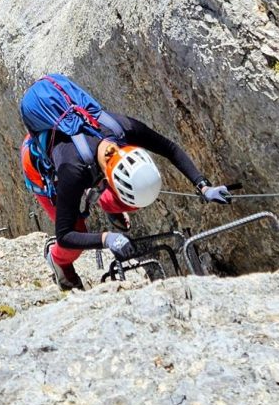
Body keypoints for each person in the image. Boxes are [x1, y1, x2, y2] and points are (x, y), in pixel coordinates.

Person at [19, 73, 230, 291]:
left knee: (129, 198)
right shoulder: (71, 170)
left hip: (87, 154)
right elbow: (65, 236)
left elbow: (169, 148)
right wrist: (106, 238)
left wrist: (203, 185)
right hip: (40, 169)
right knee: (77, 230)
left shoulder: (123, 129)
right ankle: (59, 263)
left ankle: (109, 204)